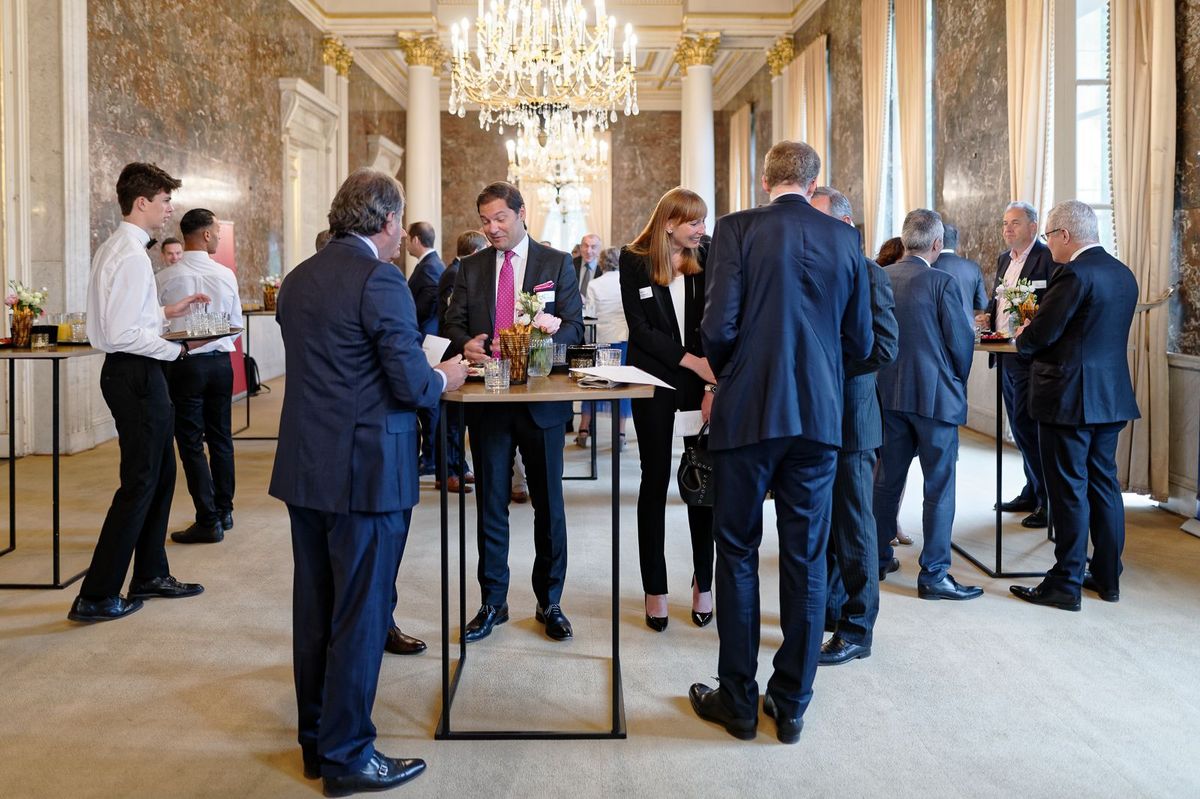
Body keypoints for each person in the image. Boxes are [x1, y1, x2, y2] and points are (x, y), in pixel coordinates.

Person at [269, 168, 466, 794]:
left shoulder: (298, 278)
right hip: (368, 471)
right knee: (362, 612)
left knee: (316, 609)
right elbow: (410, 383)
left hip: (307, 466)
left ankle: (316, 743)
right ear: (386, 221)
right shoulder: (379, 279)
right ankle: (349, 756)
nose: (399, 234)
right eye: (398, 222)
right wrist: (445, 377)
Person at [690, 141, 873, 744]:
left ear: (765, 178)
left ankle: (739, 700)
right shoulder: (845, 237)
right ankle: (792, 703)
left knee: (737, 550)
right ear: (814, 181)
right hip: (818, 419)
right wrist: (820, 374)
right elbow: (861, 339)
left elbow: (717, 327)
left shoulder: (736, 228)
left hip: (747, 412)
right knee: (806, 555)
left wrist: (736, 374)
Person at [68, 162, 209, 623]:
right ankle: (97, 595)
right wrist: (179, 351)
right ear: (142, 201)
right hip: (137, 374)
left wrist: (168, 312)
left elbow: (127, 317)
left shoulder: (120, 248)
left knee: (162, 474)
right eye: (165, 200)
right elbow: (123, 333)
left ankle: (150, 573)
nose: (169, 209)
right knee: (140, 483)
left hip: (133, 371)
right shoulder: (129, 255)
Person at [443, 182, 584, 643]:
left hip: (541, 401)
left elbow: (574, 326)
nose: (493, 228)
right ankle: (493, 602)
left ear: (522, 214)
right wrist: (465, 342)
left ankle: (550, 601)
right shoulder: (471, 267)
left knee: (549, 506)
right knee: (491, 505)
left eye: (500, 218)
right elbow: (453, 322)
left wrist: (543, 339)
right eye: (485, 221)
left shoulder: (556, 263)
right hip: (488, 402)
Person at [1009, 201, 1139, 611]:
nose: (1048, 245)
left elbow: (1042, 335)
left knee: (1068, 490)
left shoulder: (1073, 274)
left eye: (1049, 236)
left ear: (1065, 235)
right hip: (1110, 398)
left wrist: (1024, 334)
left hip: (1068, 399)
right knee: (1104, 486)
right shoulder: (1123, 273)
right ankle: (1107, 576)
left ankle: (1065, 583)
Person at [809, 186, 899, 666]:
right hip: (812, 419)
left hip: (852, 419)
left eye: (818, 220)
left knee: (855, 528)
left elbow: (884, 347)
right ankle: (829, 610)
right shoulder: (810, 269)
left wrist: (825, 366)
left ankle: (858, 629)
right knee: (822, 524)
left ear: (844, 224)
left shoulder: (869, 273)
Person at [873, 209, 982, 602]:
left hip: (887, 394)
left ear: (905, 241)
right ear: (937, 244)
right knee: (939, 486)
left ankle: (876, 559)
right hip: (935, 398)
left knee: (886, 482)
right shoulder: (942, 282)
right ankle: (934, 575)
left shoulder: (878, 277)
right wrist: (955, 380)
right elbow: (961, 342)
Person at [620, 188, 715, 632]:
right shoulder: (634, 259)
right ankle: (654, 587)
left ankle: (704, 581)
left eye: (703, 221)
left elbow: (716, 321)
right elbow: (639, 329)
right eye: (694, 222)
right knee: (654, 479)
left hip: (702, 384)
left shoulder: (706, 255)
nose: (701, 229)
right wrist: (691, 361)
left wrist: (710, 380)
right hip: (654, 381)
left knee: (703, 481)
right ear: (670, 223)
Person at [156, 208, 243, 544]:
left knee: (191, 442)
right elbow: (235, 324)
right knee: (221, 438)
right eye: (217, 230)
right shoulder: (225, 275)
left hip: (184, 364)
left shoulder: (164, 278)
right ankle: (225, 511)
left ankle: (207, 518)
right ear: (205, 234)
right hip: (220, 365)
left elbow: (156, 325)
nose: (219, 235)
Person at [981, 201, 1056, 528]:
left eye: (1014, 223)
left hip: (1030, 358)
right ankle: (1031, 490)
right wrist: (987, 315)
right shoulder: (1004, 259)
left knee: (1030, 430)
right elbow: (999, 299)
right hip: (1004, 354)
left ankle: (1048, 501)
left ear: (1033, 227)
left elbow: (1050, 306)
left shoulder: (1047, 258)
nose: (1007, 229)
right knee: (1019, 428)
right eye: (1004, 223)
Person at [435, 230, 487, 495]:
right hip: (451, 353)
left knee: (458, 421)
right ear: (476, 252)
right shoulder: (455, 273)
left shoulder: (456, 270)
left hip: (459, 353)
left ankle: (459, 466)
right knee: (451, 422)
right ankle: (448, 473)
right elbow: (450, 319)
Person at [405, 221, 447, 477]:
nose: (405, 244)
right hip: (424, 339)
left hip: (427, 341)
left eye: (408, 239)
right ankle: (430, 456)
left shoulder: (430, 267)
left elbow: (427, 308)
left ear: (416, 240)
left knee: (429, 404)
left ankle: (431, 457)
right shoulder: (428, 264)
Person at [578, 246, 630, 448]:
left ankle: (583, 429)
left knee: (593, 383)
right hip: (622, 337)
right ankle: (621, 434)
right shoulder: (625, 281)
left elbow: (590, 313)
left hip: (601, 339)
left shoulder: (595, 284)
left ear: (601, 263)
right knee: (622, 386)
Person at [934, 223, 988, 328]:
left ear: (936, 242)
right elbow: (982, 303)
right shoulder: (973, 267)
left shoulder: (928, 266)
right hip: (967, 328)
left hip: (937, 331)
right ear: (956, 242)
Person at [573, 232, 602, 300]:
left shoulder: (604, 268)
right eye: (586, 246)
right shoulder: (571, 264)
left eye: (593, 247)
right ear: (580, 247)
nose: (588, 251)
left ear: (599, 249)